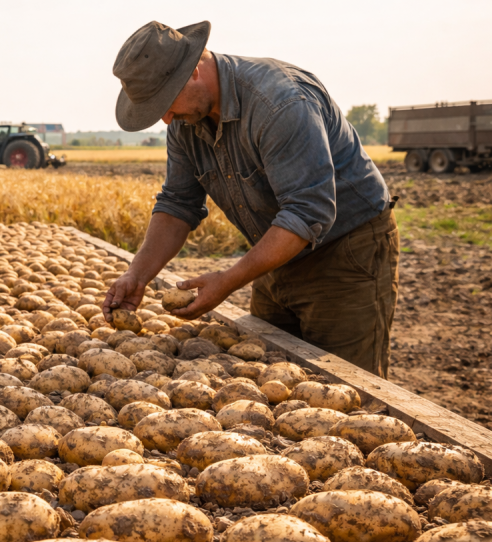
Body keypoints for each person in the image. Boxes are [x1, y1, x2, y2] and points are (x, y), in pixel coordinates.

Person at [101, 21, 399, 378]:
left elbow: (308, 212)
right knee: (268, 372)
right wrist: (138, 274)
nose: (165, 119)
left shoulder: (280, 102)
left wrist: (227, 280)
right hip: (275, 251)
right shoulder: (184, 122)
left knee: (344, 386)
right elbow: (178, 203)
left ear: (193, 71)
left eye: (165, 103)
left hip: (345, 253)